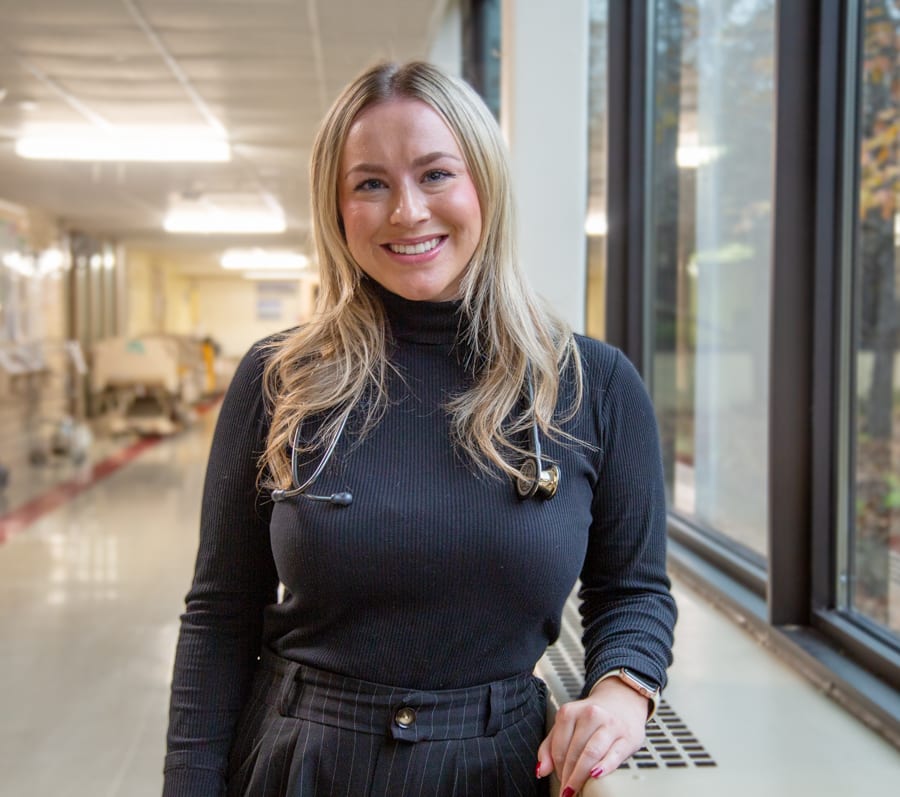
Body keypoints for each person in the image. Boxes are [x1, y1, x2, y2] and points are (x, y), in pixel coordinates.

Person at [163, 60, 676, 797]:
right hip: (298, 764)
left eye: (436, 173)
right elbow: (220, 613)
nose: (406, 210)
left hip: (496, 767)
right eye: (370, 183)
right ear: (338, 208)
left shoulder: (592, 387)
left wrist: (625, 688)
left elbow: (632, 588)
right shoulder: (280, 379)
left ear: (485, 187)